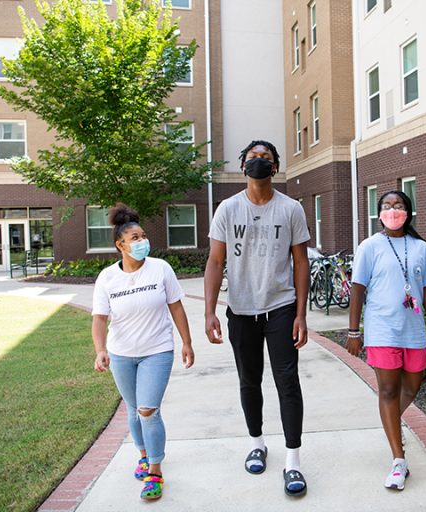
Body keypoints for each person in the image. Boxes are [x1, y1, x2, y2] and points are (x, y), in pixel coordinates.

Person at [204, 140, 311, 497]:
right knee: (249, 381)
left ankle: (293, 461)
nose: (259, 162)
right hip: (241, 310)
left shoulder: (291, 209)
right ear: (242, 165)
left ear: (276, 167)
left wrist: (301, 314)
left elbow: (300, 262)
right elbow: (216, 262)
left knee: (287, 382)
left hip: (280, 307)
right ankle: (257, 443)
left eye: (265, 158)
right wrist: (209, 312)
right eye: (252, 158)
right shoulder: (227, 209)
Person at [91, 203, 194, 501]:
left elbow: (176, 306)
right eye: (134, 238)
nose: (141, 241)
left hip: (157, 351)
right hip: (121, 353)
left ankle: (155, 472)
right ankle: (143, 454)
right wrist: (101, 351)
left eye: (143, 236)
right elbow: (99, 318)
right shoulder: (107, 278)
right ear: (120, 245)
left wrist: (186, 342)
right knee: (134, 410)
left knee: (148, 410)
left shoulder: (161, 269)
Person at [347, 190, 426, 491]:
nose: (393, 210)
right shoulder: (370, 247)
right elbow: (358, 290)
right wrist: (354, 332)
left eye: (398, 205)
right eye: (387, 205)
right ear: (379, 213)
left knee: (412, 387)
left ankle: (389, 423)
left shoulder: (420, 247)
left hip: (413, 330)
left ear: (408, 211)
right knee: (388, 390)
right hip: (382, 330)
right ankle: (398, 460)